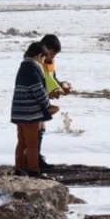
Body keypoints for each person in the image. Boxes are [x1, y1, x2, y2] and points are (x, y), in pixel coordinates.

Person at [11, 41, 58, 178]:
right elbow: (38, 90)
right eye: (43, 58)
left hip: (19, 112)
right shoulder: (32, 68)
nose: (44, 61)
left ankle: (19, 168)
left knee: (22, 142)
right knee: (32, 143)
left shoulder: (23, 66)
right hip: (30, 113)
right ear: (39, 55)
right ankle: (33, 170)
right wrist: (47, 105)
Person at [38, 34, 71, 168]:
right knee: (34, 131)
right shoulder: (36, 63)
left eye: (54, 55)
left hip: (44, 100)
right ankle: (31, 160)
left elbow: (52, 79)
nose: (52, 57)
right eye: (51, 54)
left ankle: (36, 156)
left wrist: (62, 86)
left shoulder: (49, 63)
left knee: (40, 129)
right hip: (36, 101)